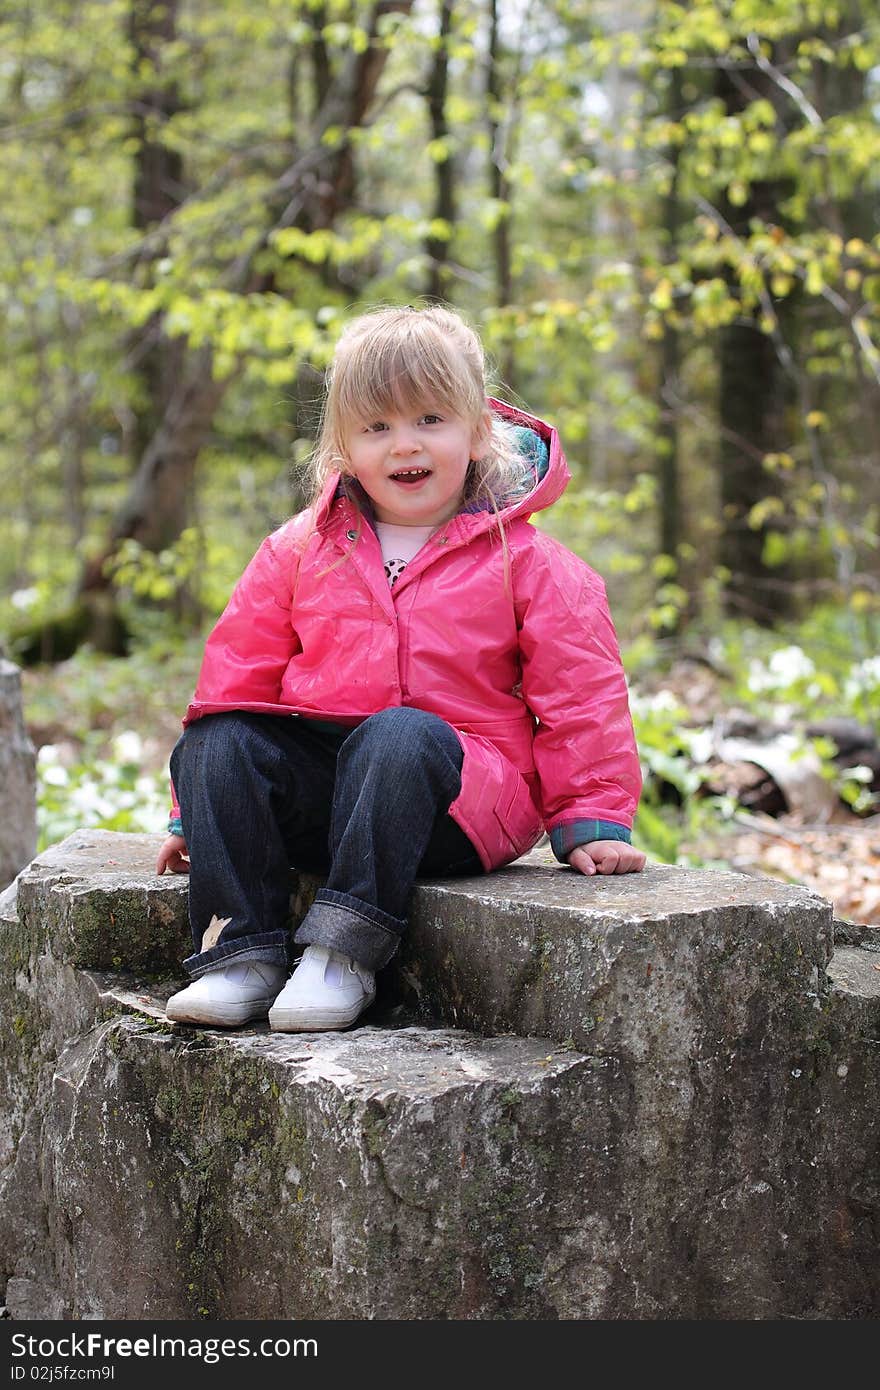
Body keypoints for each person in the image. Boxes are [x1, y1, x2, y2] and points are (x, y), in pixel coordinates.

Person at [157, 304, 645, 1032]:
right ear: (343, 447)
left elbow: (582, 694)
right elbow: (238, 674)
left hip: (457, 800)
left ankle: (341, 956)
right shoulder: (297, 551)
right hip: (329, 800)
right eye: (376, 427)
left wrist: (592, 818)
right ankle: (242, 956)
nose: (403, 445)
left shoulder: (530, 561)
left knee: (398, 735)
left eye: (429, 420)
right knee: (217, 734)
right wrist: (197, 811)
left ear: (479, 429)